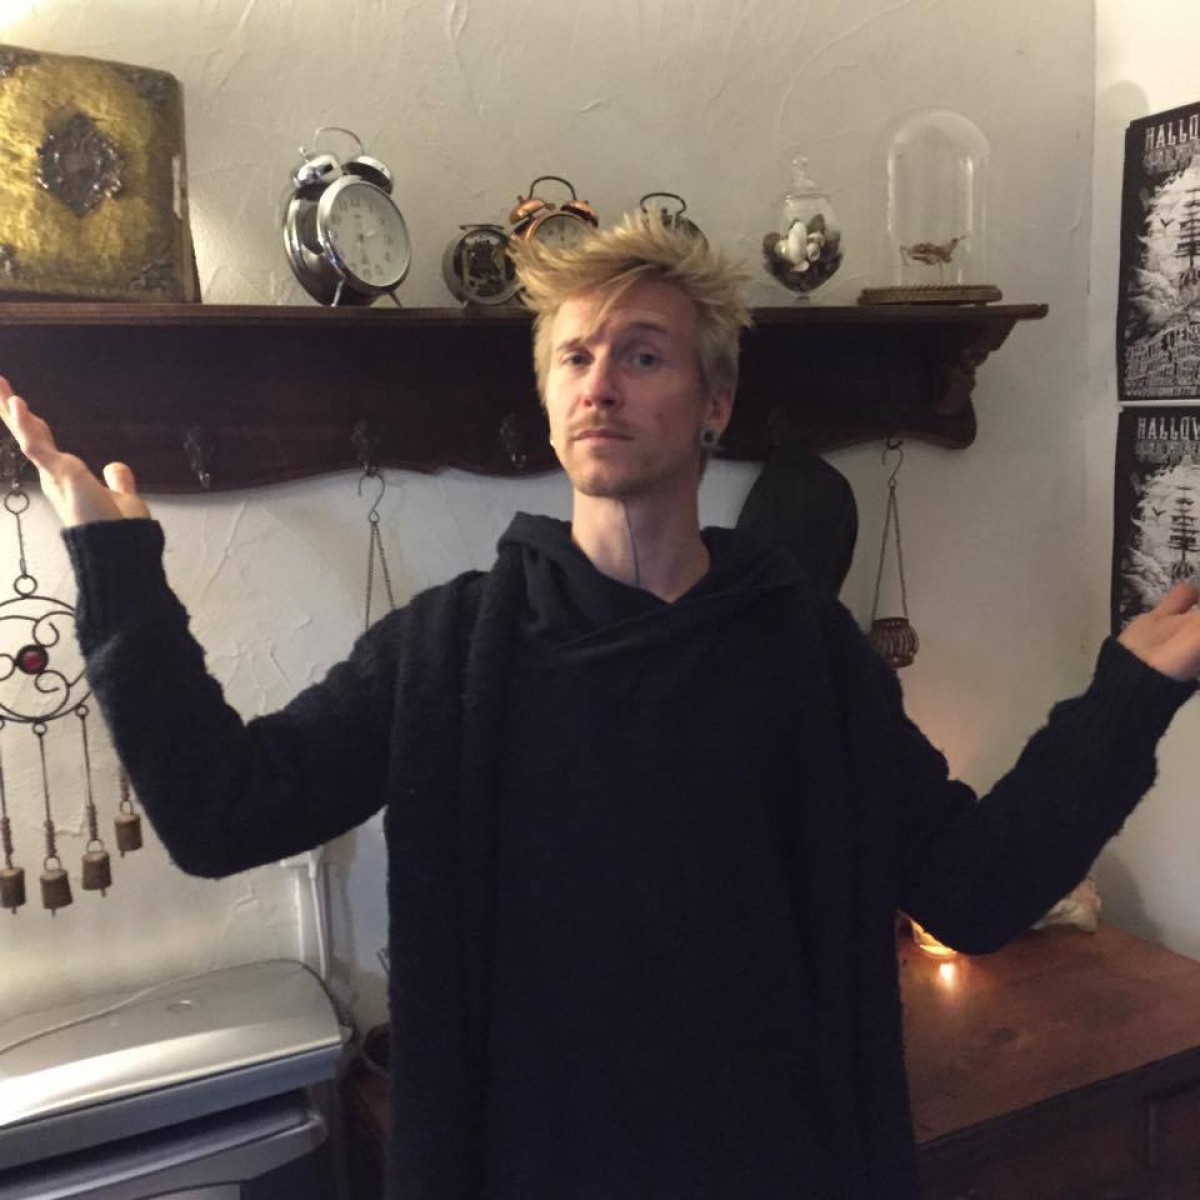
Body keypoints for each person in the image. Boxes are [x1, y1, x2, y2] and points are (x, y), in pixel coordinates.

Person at [3, 213, 1200, 1200]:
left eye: (643, 355)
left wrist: (1131, 694)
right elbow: (224, 813)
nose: (601, 384)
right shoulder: (450, 651)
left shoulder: (803, 652)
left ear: (714, 404)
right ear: (547, 397)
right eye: (575, 357)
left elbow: (974, 890)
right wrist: (119, 574)